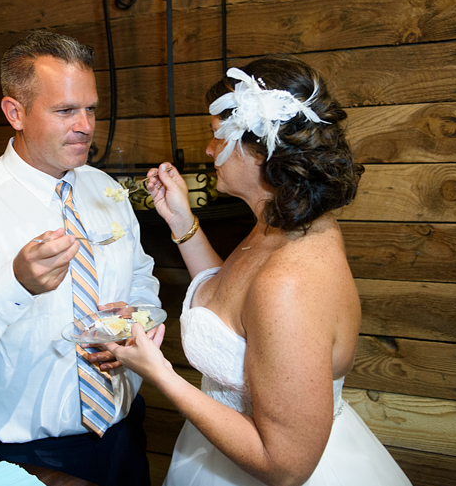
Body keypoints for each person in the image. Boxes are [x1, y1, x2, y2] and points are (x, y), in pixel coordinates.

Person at [104, 55, 412, 485]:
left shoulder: (290, 283)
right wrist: (181, 222)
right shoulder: (287, 223)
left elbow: (284, 467)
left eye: (216, 137)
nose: (209, 150)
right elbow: (233, 298)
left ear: (259, 150)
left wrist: (160, 373)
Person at [0, 31, 161, 486]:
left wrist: (135, 320)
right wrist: (13, 286)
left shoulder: (105, 191)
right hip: (30, 460)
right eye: (65, 111)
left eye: (91, 108)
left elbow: (140, 278)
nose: (85, 125)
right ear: (15, 112)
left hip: (126, 437)